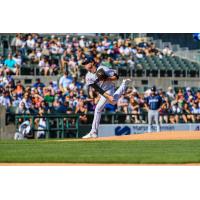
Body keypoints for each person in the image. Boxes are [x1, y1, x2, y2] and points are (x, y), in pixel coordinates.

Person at [81, 56, 131, 138]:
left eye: (86, 63)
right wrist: (108, 97)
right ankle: (124, 85)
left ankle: (93, 132)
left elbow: (116, 76)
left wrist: (107, 78)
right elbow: (98, 89)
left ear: (92, 62)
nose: (85, 65)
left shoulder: (102, 68)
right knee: (113, 101)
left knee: (98, 109)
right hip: (102, 91)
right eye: (84, 64)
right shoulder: (88, 77)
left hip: (109, 88)